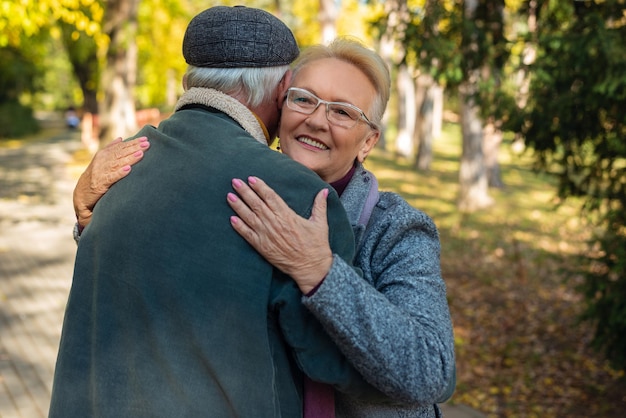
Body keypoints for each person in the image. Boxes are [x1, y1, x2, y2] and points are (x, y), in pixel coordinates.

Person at [73, 37, 457, 417]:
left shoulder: (394, 228)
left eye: (342, 112)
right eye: (304, 99)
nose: (317, 120)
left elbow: (432, 373)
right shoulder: (237, 190)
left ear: (368, 141)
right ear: (279, 104)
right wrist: (96, 220)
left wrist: (321, 272)